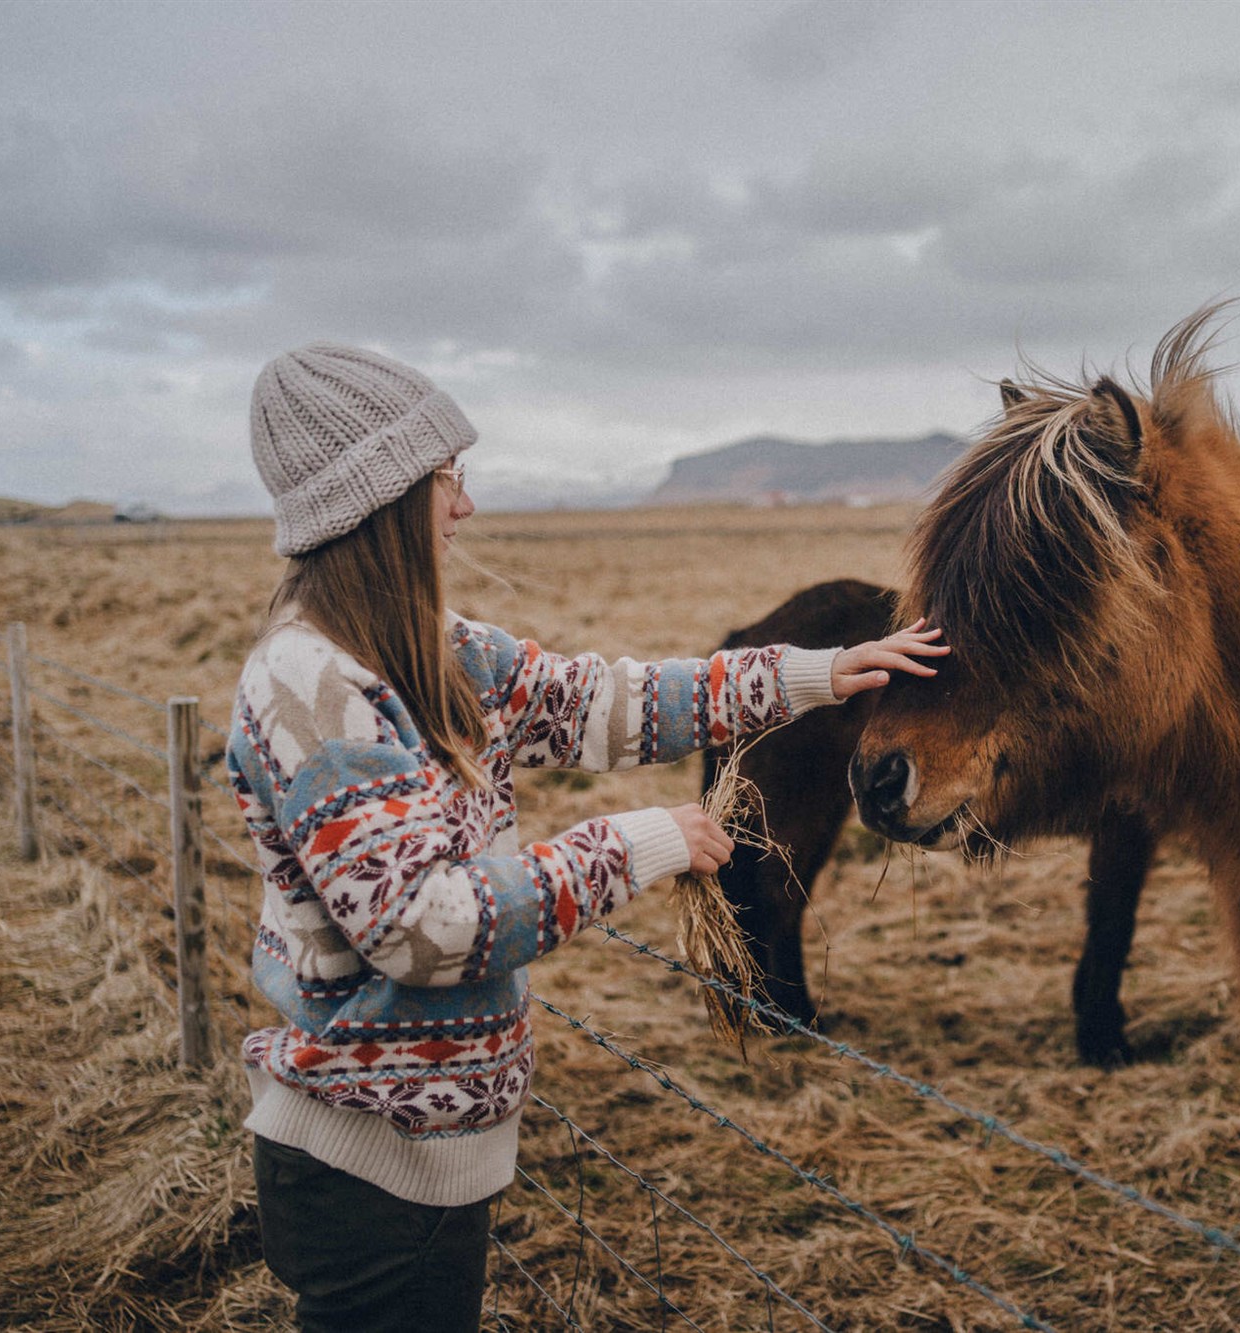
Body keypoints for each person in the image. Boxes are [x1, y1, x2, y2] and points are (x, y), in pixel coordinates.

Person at [226, 342, 946, 1331]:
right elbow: (420, 927)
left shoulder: (425, 649)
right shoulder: (313, 689)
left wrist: (821, 674)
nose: (465, 506)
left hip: (424, 1151)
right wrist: (637, 843)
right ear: (384, 499)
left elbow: (603, 700)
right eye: (449, 479)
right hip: (365, 1169)